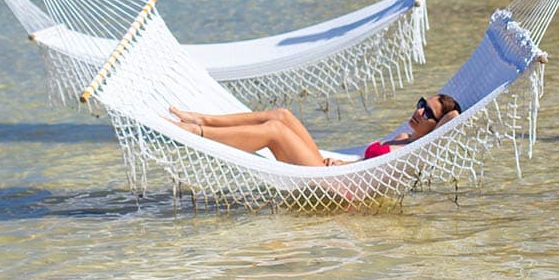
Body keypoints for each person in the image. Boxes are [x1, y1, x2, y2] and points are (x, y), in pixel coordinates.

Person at [168, 94, 461, 167]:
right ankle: (203, 120)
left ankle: (198, 135)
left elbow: (455, 118)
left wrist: (346, 166)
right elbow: (369, 164)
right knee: (281, 115)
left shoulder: (416, 149)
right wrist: (346, 162)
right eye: (421, 102)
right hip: (336, 170)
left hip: (336, 187)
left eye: (428, 112)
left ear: (436, 125)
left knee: (274, 131)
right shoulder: (403, 137)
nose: (419, 110)